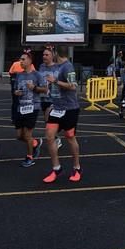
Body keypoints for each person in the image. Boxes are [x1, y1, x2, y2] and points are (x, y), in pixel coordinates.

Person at [43, 46, 82, 183]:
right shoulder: (56, 66)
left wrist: (55, 81)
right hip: (57, 107)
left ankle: (77, 168)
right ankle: (56, 168)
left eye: (50, 53)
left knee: (70, 137)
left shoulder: (67, 66)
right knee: (49, 136)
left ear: (55, 53)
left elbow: (73, 86)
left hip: (70, 108)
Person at [13, 50, 47, 167]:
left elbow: (45, 89)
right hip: (21, 107)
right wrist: (16, 92)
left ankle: (29, 157)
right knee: (19, 136)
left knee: (27, 135)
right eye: (20, 59)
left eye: (23, 59)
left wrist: (34, 87)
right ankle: (35, 143)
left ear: (30, 61)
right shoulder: (19, 75)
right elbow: (16, 89)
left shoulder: (37, 75)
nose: (21, 61)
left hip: (33, 106)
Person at [38, 47, 61, 150]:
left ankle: (55, 138)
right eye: (43, 55)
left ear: (52, 56)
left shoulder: (58, 67)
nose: (44, 57)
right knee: (47, 121)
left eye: (46, 55)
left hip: (54, 98)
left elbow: (62, 81)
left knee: (49, 120)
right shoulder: (41, 66)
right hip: (43, 97)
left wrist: (54, 82)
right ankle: (56, 137)